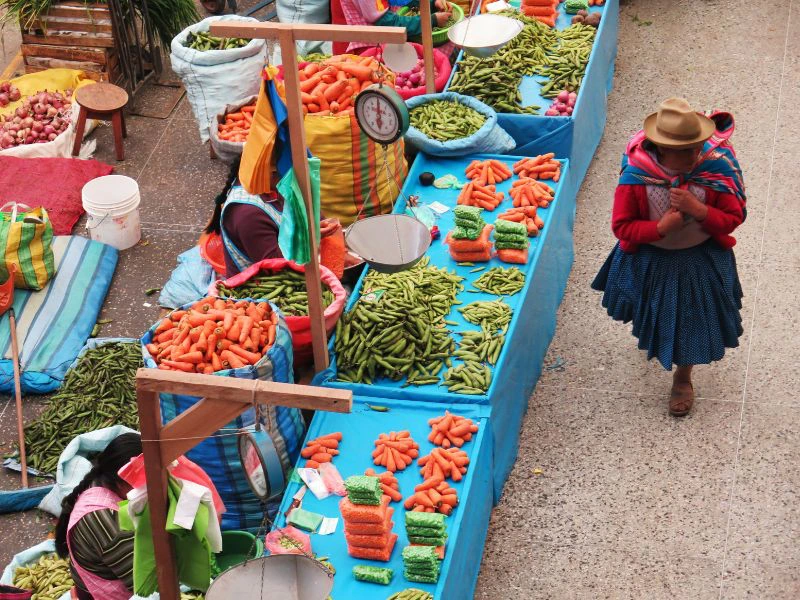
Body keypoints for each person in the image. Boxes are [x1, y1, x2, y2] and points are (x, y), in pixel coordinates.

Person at [591, 98, 747, 417]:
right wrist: (660, 227)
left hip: (698, 258)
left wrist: (700, 210)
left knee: (691, 323)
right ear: (662, 149)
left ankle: (683, 377)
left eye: (697, 147)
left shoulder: (715, 167)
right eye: (686, 151)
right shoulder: (637, 175)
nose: (695, 156)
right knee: (652, 310)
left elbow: (734, 217)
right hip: (651, 257)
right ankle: (657, 335)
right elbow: (622, 226)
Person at [206, 158, 342, 278]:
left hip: (290, 265)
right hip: (260, 289)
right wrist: (308, 238)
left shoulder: (274, 184)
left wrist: (321, 225)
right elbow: (276, 269)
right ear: (271, 172)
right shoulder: (248, 214)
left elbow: (308, 209)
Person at [55, 433, 143, 600]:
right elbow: (145, 586)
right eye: (143, 480)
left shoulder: (100, 481)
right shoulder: (112, 526)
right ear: (121, 480)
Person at [331, 0, 452, 55]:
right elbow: (385, 22)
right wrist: (431, 20)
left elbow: (401, 1)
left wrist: (431, 2)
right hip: (371, 45)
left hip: (392, 31)